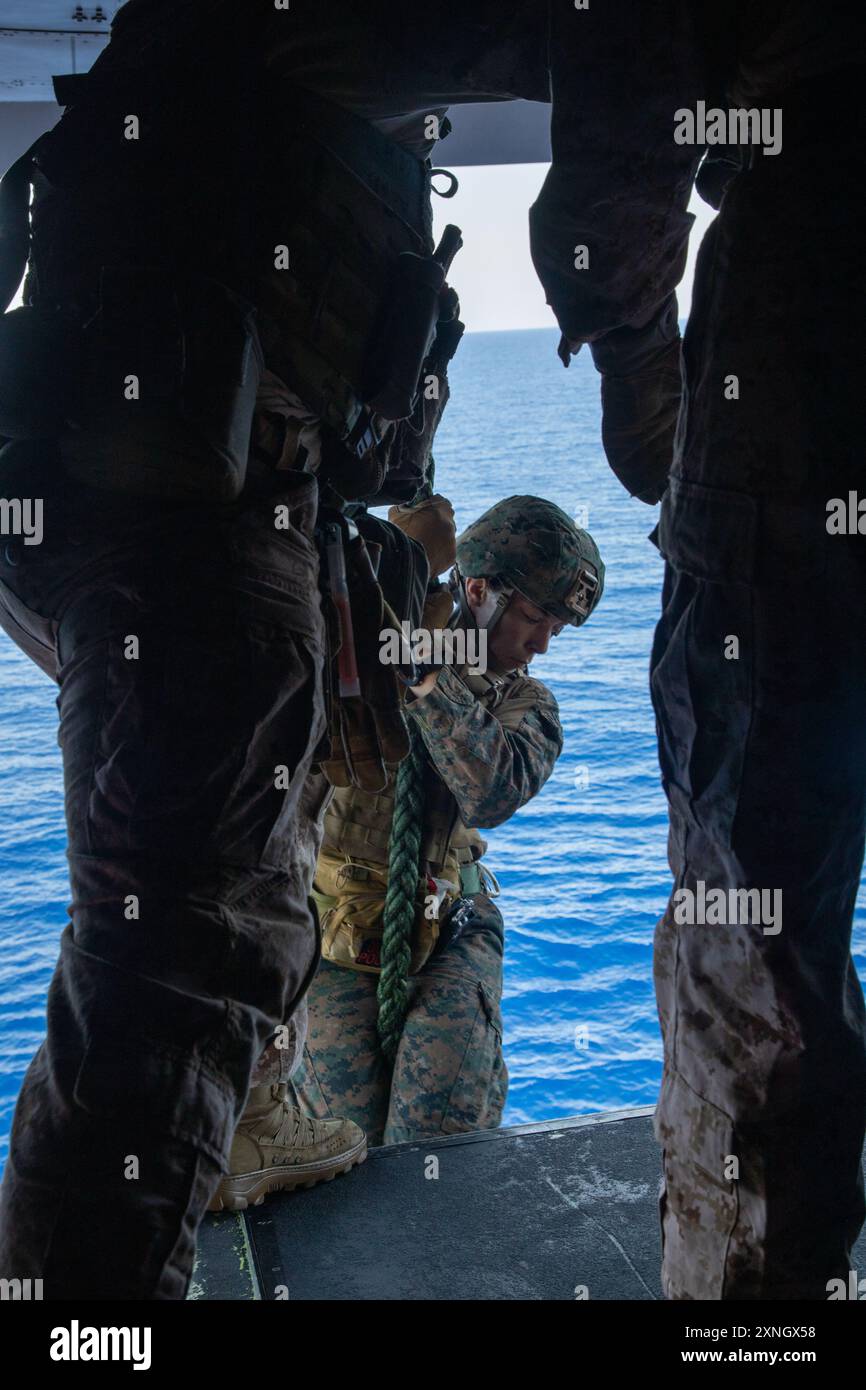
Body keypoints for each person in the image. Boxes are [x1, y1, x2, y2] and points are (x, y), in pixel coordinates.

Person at [0, 0, 860, 1301]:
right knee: (205, 966)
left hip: (432, 918)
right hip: (326, 881)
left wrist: (432, 632)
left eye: (552, 622)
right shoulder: (392, 595)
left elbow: (474, 779)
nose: (532, 632)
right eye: (525, 605)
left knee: (397, 1124)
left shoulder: (499, 690)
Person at [285, 495, 604, 1146]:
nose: (542, 644)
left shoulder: (524, 701)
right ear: (480, 590)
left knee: (439, 1144)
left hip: (448, 931)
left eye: (556, 630)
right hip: (332, 930)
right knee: (343, 1146)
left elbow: (492, 789)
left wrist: (427, 673)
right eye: (535, 619)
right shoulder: (356, 654)